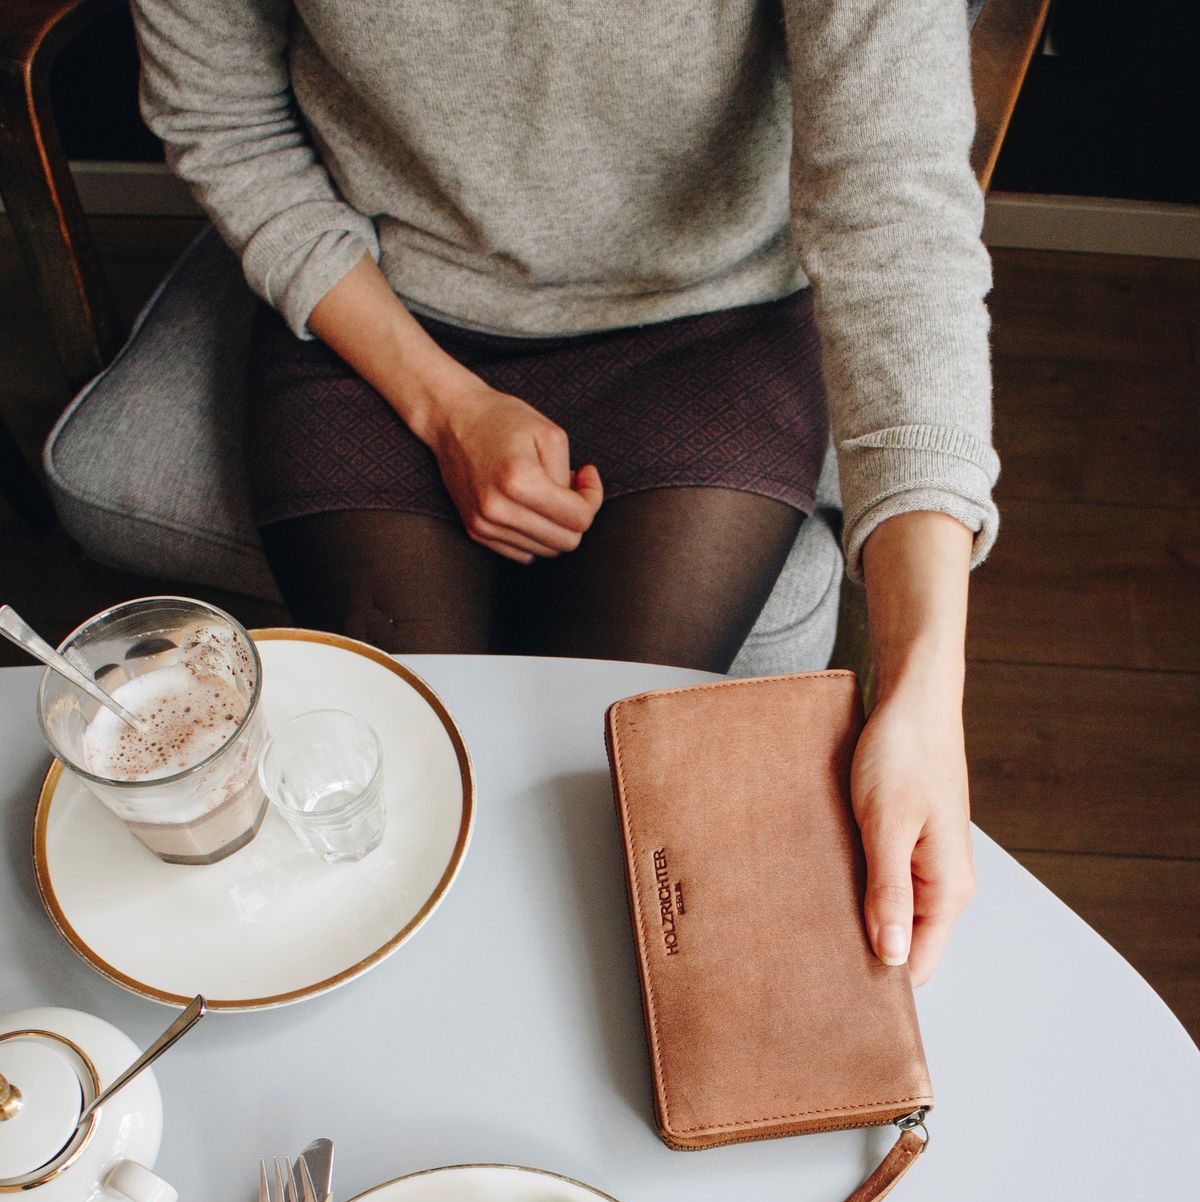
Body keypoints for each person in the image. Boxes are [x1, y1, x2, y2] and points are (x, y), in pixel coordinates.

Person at [132, 0, 999, 986]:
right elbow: (219, 120)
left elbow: (898, 227)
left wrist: (928, 687)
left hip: (710, 320)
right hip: (379, 307)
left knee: (595, 831)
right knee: (405, 809)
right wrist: (448, 408)